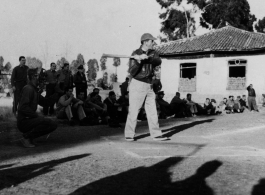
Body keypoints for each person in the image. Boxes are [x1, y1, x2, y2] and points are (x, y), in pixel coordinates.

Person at [125, 33, 169, 141]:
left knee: (152, 110)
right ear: (145, 42)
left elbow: (158, 61)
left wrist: (147, 59)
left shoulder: (153, 53)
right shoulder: (135, 53)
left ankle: (156, 133)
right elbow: (132, 71)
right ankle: (129, 134)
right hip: (138, 83)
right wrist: (138, 61)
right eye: (151, 41)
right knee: (134, 110)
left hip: (149, 84)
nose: (153, 42)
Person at [17, 68, 57, 148]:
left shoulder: (34, 90)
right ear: (33, 76)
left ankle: (28, 137)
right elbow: (23, 107)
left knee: (52, 124)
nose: (41, 78)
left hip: (28, 120)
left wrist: (57, 93)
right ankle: (26, 137)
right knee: (46, 122)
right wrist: (37, 116)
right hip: (24, 121)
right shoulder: (28, 89)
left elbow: (45, 102)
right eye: (39, 75)